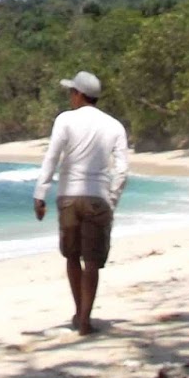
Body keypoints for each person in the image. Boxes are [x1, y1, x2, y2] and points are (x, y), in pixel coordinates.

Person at [33, 70, 128, 336]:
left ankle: (78, 312)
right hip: (98, 197)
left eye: (71, 92)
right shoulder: (114, 126)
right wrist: (112, 199)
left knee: (72, 256)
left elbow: (51, 158)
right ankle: (85, 318)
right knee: (93, 261)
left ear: (78, 94)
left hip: (69, 197)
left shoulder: (65, 120)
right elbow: (121, 170)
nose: (69, 98)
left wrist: (40, 194)